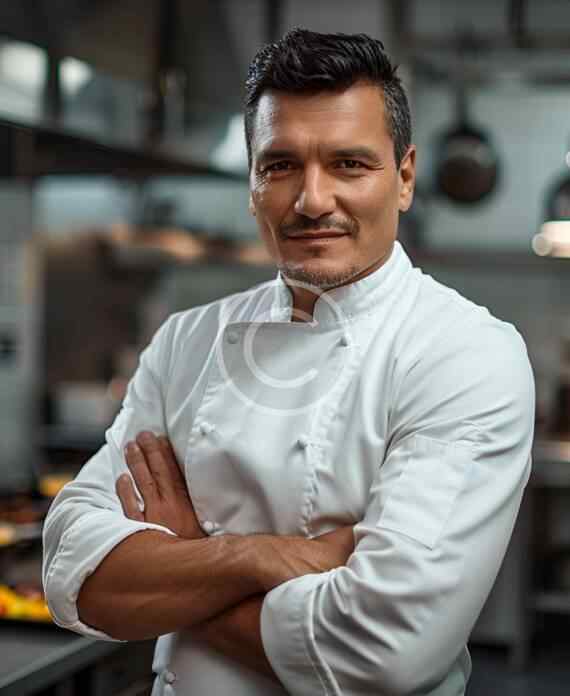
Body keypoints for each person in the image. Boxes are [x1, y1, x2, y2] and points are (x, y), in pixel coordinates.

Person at [42, 28, 535, 696]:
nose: (312, 200)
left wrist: (180, 562)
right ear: (251, 183)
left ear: (405, 178)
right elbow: (71, 568)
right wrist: (257, 557)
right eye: (280, 166)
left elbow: (386, 650)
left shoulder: (465, 352)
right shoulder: (188, 340)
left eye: (349, 164)